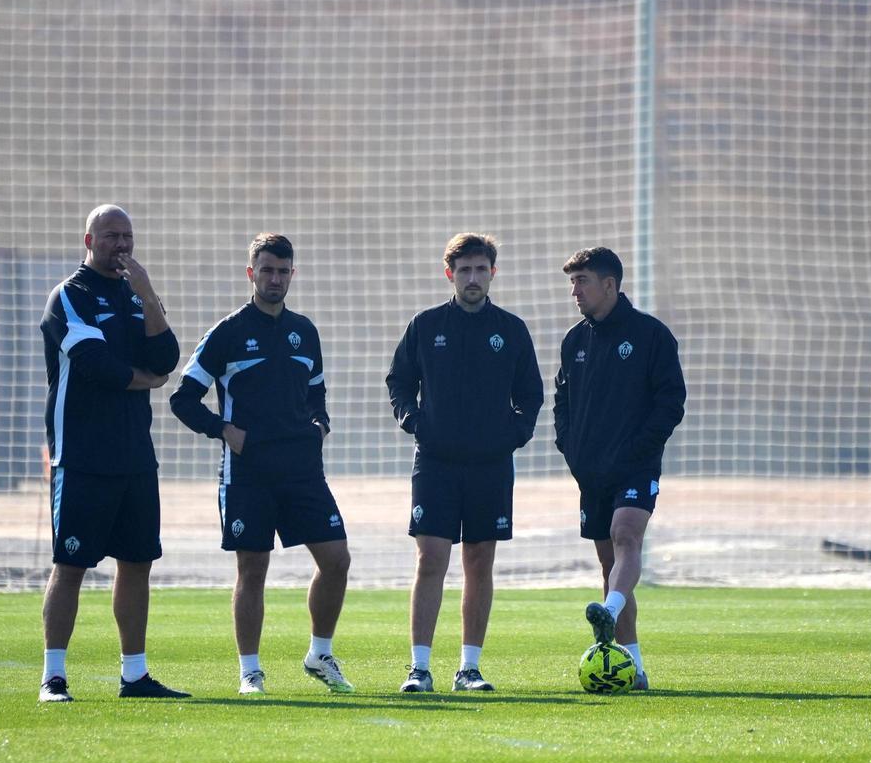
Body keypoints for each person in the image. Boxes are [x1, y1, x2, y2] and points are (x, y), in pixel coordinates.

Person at [169, 233, 354, 695]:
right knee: (253, 570)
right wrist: (223, 430)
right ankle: (250, 672)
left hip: (302, 471)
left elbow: (317, 394)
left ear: (293, 274)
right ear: (251, 273)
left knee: (337, 560)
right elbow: (182, 398)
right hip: (248, 473)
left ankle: (319, 653)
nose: (275, 278)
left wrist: (320, 425)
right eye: (266, 270)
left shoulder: (305, 331)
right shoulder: (227, 332)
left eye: (283, 270)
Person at [38, 204, 188, 702]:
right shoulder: (69, 296)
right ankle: (54, 677)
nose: (120, 244)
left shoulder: (135, 294)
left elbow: (166, 357)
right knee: (71, 564)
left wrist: (146, 293)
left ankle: (135, 675)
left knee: (137, 562)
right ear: (89, 239)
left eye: (127, 236)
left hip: (134, 456)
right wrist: (142, 380)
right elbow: (93, 364)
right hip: (82, 456)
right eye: (110, 236)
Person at [386, 233, 543, 692]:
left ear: (492, 273)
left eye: (481, 269)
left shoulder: (511, 330)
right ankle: (419, 667)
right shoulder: (426, 324)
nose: (472, 278)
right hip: (434, 462)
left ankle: (469, 668)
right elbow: (399, 380)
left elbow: (530, 394)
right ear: (449, 273)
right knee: (431, 558)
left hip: (490, 466)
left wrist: (513, 434)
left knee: (479, 561)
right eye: (464, 270)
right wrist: (414, 422)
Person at [554, 246, 687, 691]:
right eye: (572, 282)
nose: (574, 291)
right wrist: (571, 449)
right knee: (610, 563)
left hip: (635, 465)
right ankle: (635, 667)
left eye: (582, 281)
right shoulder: (574, 341)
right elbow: (562, 403)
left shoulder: (651, 336)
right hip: (590, 472)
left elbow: (671, 402)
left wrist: (638, 449)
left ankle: (607, 613)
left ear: (609, 285)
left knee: (626, 536)